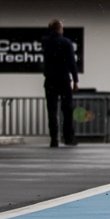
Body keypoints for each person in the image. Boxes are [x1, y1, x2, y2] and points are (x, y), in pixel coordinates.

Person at [42, 19, 79, 147]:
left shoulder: (46, 43)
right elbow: (72, 63)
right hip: (63, 79)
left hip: (50, 79)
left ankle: (54, 138)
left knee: (51, 110)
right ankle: (68, 137)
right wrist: (75, 80)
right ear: (60, 29)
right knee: (67, 109)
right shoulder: (67, 43)